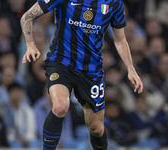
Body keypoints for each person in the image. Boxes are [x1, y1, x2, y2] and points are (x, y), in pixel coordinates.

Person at [20, 0, 143, 149]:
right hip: (61, 63)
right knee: (60, 106)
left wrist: (131, 69)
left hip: (91, 71)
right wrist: (30, 45)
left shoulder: (114, 3)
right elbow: (26, 17)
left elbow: (120, 40)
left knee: (96, 129)